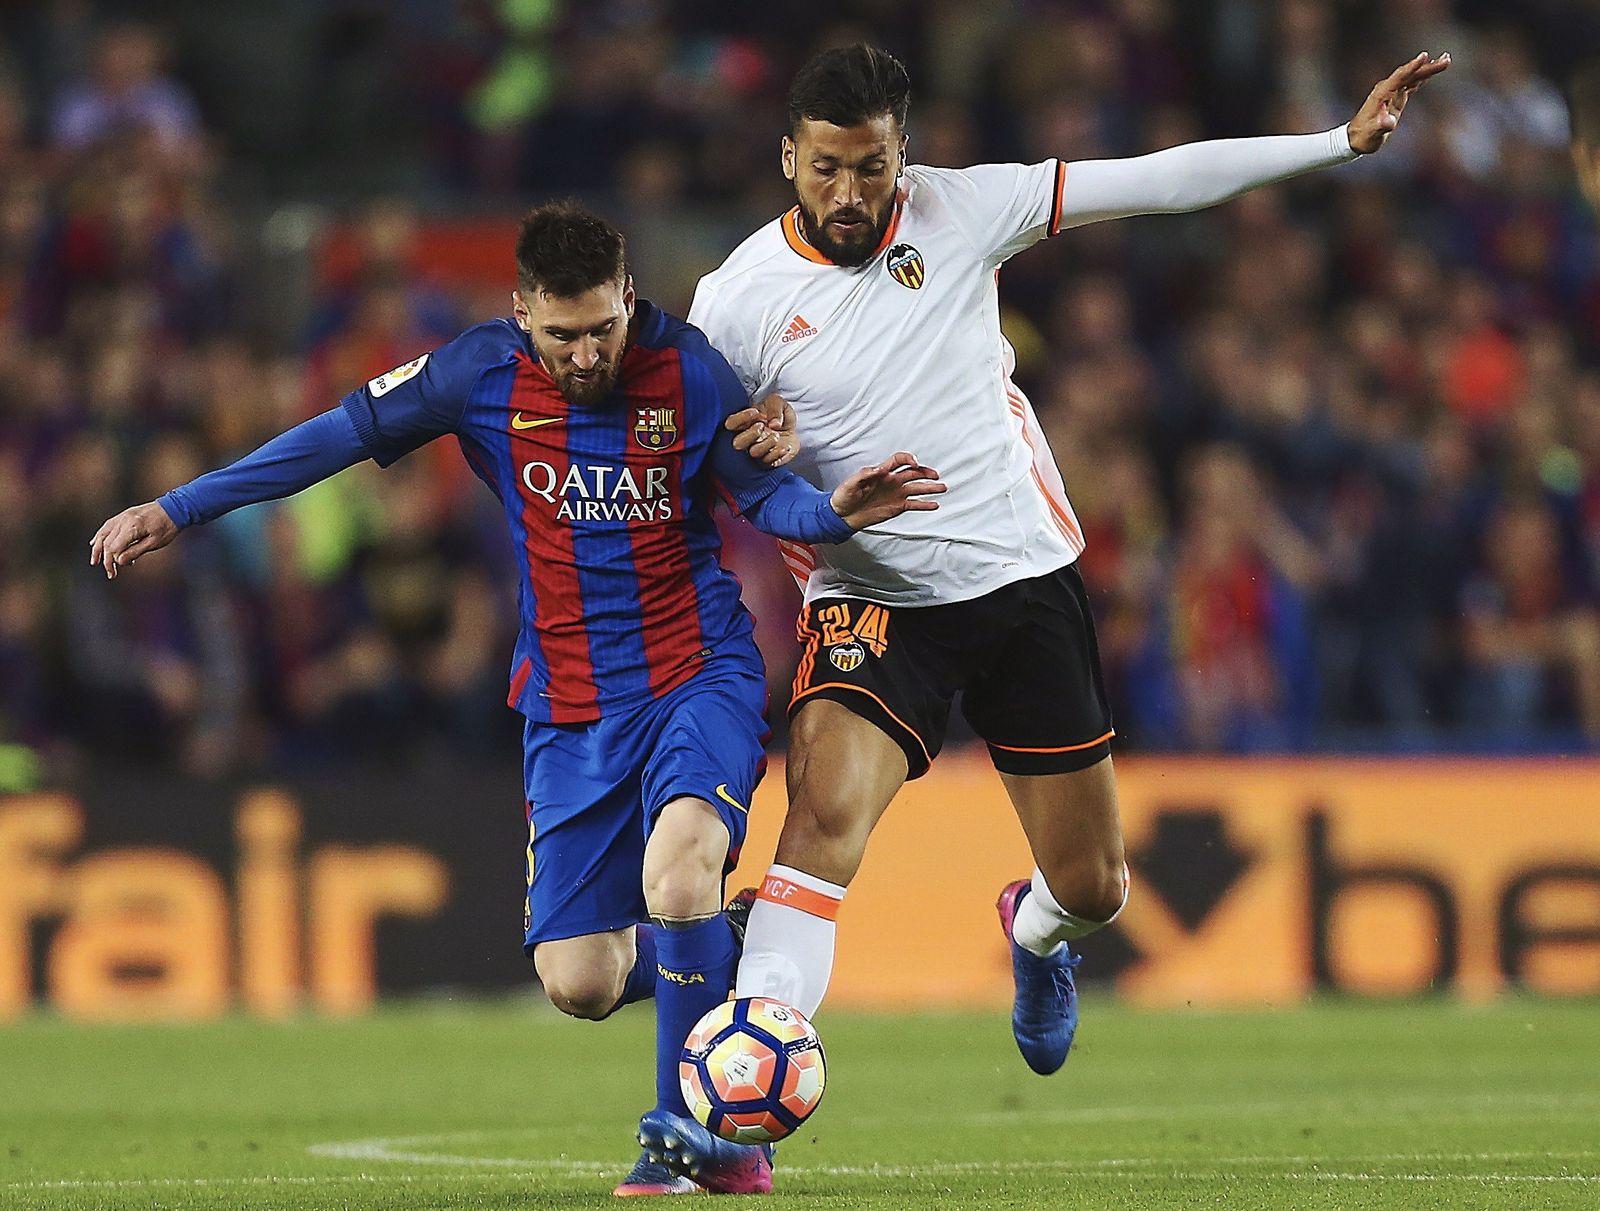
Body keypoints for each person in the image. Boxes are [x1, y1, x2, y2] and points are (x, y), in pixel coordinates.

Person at [676, 39, 1449, 1158]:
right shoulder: (735, 302)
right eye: (827, 168)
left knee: (1094, 886)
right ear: (787, 157)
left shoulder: (963, 210)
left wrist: (1337, 142)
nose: (850, 193)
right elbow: (701, 462)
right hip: (870, 599)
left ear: (904, 157)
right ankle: (739, 1113)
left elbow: (1160, 178)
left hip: (1020, 581)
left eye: (872, 167)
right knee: (819, 825)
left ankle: (1035, 933)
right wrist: (756, 450)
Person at [89, 202, 944, 1198]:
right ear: (521, 310)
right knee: (580, 981)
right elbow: (331, 438)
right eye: (562, 334)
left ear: (628, 298)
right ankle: (723, 942)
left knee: (678, 876)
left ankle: (694, 1137)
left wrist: (830, 513)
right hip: (570, 705)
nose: (585, 355)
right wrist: (179, 506)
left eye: (603, 329)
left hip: (696, 673)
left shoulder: (689, 370)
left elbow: (763, 498)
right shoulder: (474, 372)